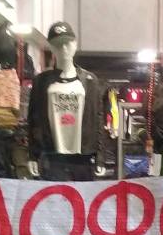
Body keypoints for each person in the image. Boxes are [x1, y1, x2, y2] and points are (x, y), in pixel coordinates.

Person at [26, 22, 110, 181]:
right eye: (57, 45)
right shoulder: (41, 82)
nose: (63, 48)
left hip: (83, 157)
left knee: (82, 197)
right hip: (52, 155)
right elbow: (33, 120)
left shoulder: (89, 80)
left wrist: (100, 157)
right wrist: (32, 155)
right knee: (54, 196)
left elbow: (98, 120)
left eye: (67, 43)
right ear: (51, 47)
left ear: (75, 44)